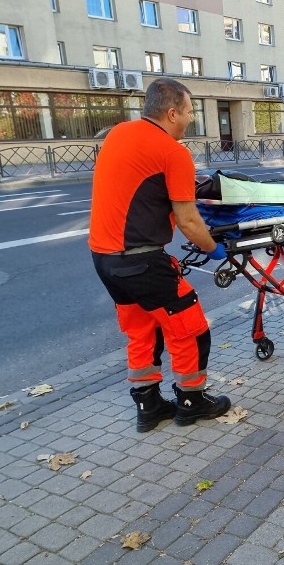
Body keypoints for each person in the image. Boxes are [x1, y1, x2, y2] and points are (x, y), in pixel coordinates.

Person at [90, 78, 231, 433]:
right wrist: (214, 249)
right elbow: (187, 219)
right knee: (191, 330)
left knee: (142, 332)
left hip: (104, 259)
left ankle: (149, 409)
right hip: (142, 261)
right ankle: (191, 402)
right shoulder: (173, 152)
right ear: (171, 113)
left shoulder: (119, 134)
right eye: (188, 112)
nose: (189, 119)